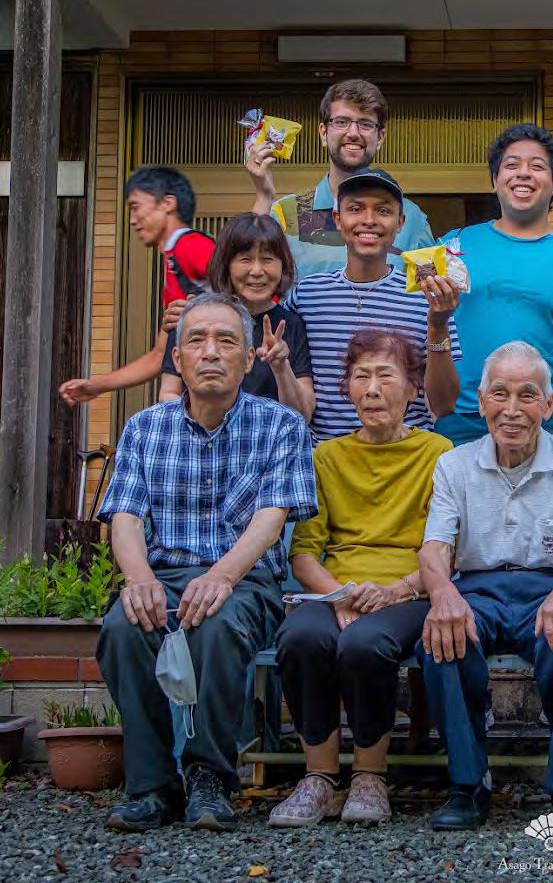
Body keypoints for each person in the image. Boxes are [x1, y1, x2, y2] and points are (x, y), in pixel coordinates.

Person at [96, 292, 317, 832]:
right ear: (177, 358)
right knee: (124, 627)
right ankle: (152, 786)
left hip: (245, 580)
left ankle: (209, 777)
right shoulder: (144, 427)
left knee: (216, 626)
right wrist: (138, 579)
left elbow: (271, 518)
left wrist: (222, 576)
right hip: (163, 573)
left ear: (249, 357)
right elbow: (124, 516)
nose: (211, 352)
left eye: (226, 341)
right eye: (196, 340)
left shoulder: (281, 426)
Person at [417, 342, 553, 831]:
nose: (512, 410)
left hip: (552, 585)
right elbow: (434, 548)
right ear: (481, 402)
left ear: (549, 405)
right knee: (441, 640)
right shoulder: (454, 464)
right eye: (499, 394)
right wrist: (442, 594)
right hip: (477, 588)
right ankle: (468, 785)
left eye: (527, 395)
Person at [269, 329, 452, 828]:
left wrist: (395, 591)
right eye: (360, 377)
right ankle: (320, 778)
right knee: (301, 637)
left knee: (365, 644)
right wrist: (339, 596)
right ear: (347, 389)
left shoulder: (438, 454)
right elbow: (304, 553)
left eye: (385, 376)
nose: (372, 389)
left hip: (410, 589)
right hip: (335, 589)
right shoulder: (326, 457)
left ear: (412, 388)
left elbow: (446, 548)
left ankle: (370, 775)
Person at [434, 124, 553, 446]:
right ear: (495, 180)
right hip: (467, 414)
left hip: (551, 415)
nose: (523, 174)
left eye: (537, 166)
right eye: (511, 165)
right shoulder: (453, 245)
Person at [287, 168, 461, 441]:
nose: (369, 220)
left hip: (405, 459)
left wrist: (438, 326)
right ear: (337, 219)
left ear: (400, 223)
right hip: (327, 459)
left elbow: (444, 405)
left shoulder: (425, 298)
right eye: (355, 209)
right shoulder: (307, 296)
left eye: (383, 211)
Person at [248, 79, 433, 280]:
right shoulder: (286, 213)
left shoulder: (411, 218)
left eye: (365, 124)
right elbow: (251, 278)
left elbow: (427, 292)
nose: (353, 133)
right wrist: (263, 196)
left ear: (380, 137)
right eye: (341, 122)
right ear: (323, 133)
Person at [59, 166, 214, 407]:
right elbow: (159, 355)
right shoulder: (173, 261)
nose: (132, 220)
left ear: (167, 203)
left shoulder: (189, 245)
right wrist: (96, 386)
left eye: (136, 206)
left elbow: (244, 287)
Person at [160, 213, 313, 420]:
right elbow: (168, 393)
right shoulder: (194, 317)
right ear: (227, 265)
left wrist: (281, 367)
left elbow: (304, 414)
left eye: (267, 259)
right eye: (245, 259)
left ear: (283, 265)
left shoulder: (291, 324)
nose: (257, 271)